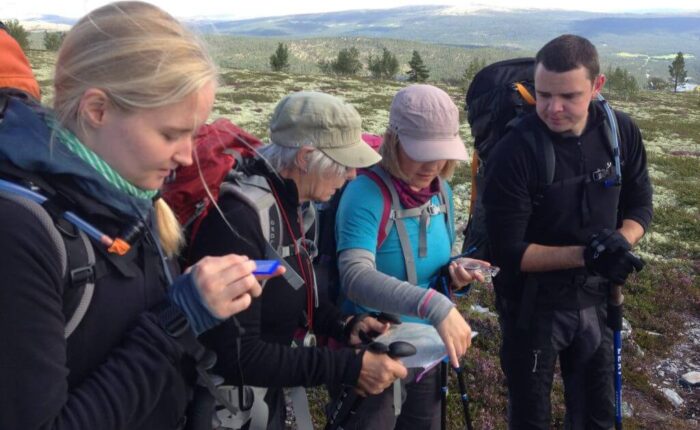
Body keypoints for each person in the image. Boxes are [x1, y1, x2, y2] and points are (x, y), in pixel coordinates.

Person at [0, 2, 275, 429]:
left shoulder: (128, 198)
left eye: (193, 133)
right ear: (98, 110)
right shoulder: (19, 232)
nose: (186, 157)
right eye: (171, 134)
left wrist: (189, 297)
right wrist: (180, 319)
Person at [189, 91, 408, 429]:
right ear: (306, 157)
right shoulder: (238, 222)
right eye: (344, 163)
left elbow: (290, 295)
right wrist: (348, 367)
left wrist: (342, 325)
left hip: (261, 401)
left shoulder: (294, 206)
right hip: (226, 410)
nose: (351, 175)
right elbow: (238, 356)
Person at [482, 34, 653, 429]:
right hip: (533, 309)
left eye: (569, 97)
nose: (552, 108)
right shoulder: (515, 151)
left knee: (598, 415)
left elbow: (640, 203)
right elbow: (508, 251)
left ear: (597, 86)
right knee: (531, 417)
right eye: (542, 95)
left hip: (598, 299)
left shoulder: (619, 132)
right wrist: (587, 254)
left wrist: (620, 240)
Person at [335, 84, 487, 430]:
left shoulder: (442, 193)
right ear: (394, 140)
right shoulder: (365, 194)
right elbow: (355, 277)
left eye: (441, 151)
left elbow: (428, 271)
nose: (433, 164)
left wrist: (453, 278)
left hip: (429, 352)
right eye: (421, 151)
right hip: (371, 350)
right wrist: (436, 306)